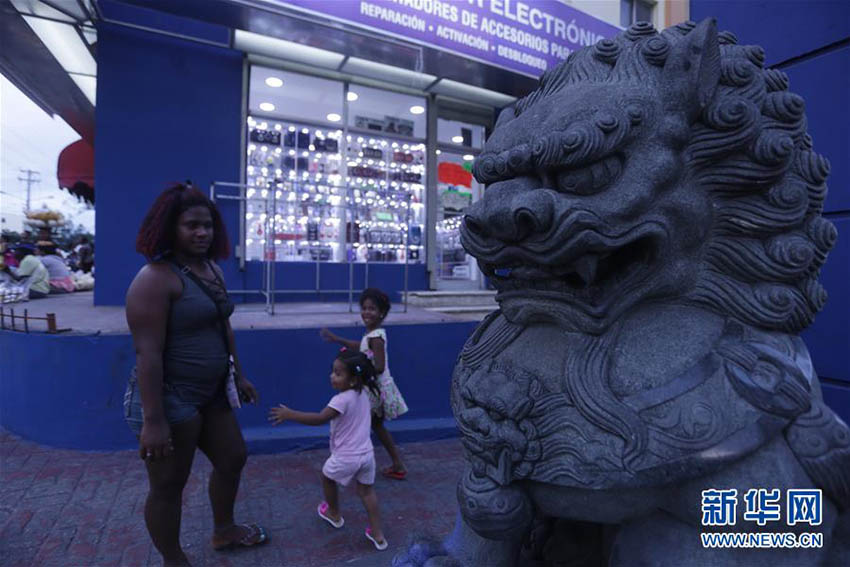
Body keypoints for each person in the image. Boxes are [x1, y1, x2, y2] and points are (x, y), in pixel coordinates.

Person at [123, 183, 267, 566]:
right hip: (170, 399)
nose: (202, 233)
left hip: (212, 392)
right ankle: (174, 559)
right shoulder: (154, 279)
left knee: (233, 456)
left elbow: (223, 325)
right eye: (191, 225)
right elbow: (147, 354)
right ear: (170, 228)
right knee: (169, 486)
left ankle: (224, 531)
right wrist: (154, 423)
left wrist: (238, 374)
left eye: (207, 225)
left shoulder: (210, 269)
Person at [268, 349, 388, 551]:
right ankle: (378, 534)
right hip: (367, 455)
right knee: (366, 491)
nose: (331, 376)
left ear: (352, 381)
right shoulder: (364, 393)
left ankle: (333, 513)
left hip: (346, 457)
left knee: (327, 477)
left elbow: (319, 419)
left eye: (338, 373)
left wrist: (290, 414)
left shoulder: (340, 400)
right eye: (332, 371)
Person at [320, 288, 409, 479]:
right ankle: (396, 464)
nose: (367, 312)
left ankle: (353, 462)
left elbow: (379, 366)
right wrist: (338, 339)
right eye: (365, 308)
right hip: (376, 388)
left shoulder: (376, 337)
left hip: (375, 389)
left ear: (382, 314)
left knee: (358, 423)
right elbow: (360, 345)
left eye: (372, 309)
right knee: (376, 426)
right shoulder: (371, 334)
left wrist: (359, 369)